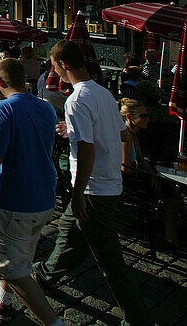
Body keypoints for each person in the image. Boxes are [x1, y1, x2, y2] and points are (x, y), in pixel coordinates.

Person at [35, 41, 152, 326]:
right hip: (109, 183)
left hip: (94, 189)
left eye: (54, 65)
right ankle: (46, 274)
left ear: (63, 65)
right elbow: (123, 134)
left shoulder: (76, 100)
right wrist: (72, 129)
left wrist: (77, 193)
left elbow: (87, 148)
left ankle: (136, 318)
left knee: (109, 259)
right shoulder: (103, 93)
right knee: (67, 230)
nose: (54, 71)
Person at [0, 59, 62, 325]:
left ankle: (53, 322)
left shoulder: (2, 110)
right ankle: (2, 299)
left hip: (15, 198)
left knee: (12, 269)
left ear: (0, 82)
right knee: (20, 255)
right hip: (45, 196)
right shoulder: (47, 109)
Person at [119, 98, 184, 247]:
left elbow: (141, 160)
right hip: (129, 182)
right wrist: (149, 177)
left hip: (138, 177)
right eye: (143, 116)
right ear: (130, 117)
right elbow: (126, 168)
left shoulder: (132, 134)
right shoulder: (126, 137)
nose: (147, 118)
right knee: (171, 193)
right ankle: (171, 235)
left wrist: (152, 174)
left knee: (171, 188)